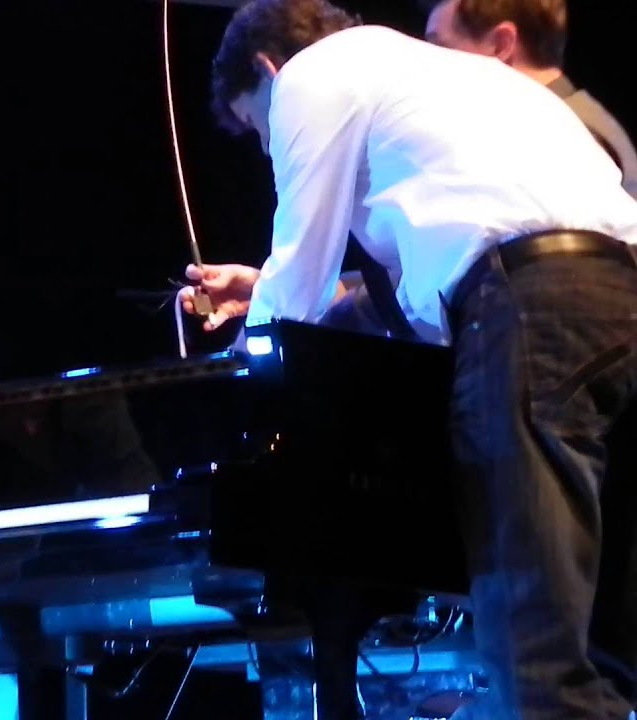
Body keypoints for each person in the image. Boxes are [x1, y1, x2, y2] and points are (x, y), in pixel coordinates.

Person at [182, 1, 637, 718]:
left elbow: (298, 277)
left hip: (530, 310)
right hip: (618, 296)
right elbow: (443, 256)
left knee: (532, 639)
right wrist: (282, 285)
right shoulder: (451, 78)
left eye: (258, 130)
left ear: (268, 69)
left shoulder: (311, 74)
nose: (269, 149)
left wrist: (239, 358)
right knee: (611, 631)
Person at [421, 0, 637, 199]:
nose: (429, 65)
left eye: (440, 47)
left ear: (501, 44)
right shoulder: (563, 118)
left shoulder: (564, 135)